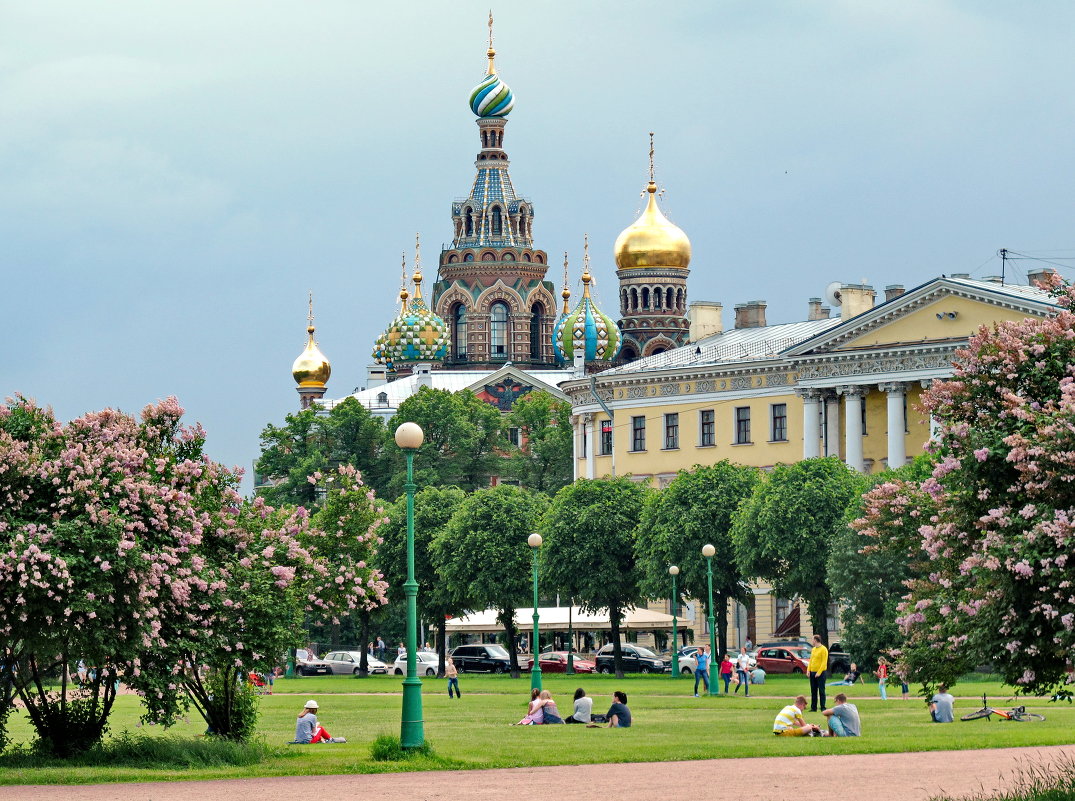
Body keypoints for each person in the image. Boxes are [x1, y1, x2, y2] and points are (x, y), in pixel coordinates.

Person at [807, 635, 828, 712]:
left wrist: (819, 672)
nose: (812, 641)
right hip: (812, 672)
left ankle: (823, 707)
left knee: (821, 690)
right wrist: (808, 670)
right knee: (813, 690)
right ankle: (813, 707)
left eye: (812, 639)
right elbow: (811, 660)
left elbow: (824, 662)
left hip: (821, 673)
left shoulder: (823, 649)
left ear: (815, 640)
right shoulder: (813, 649)